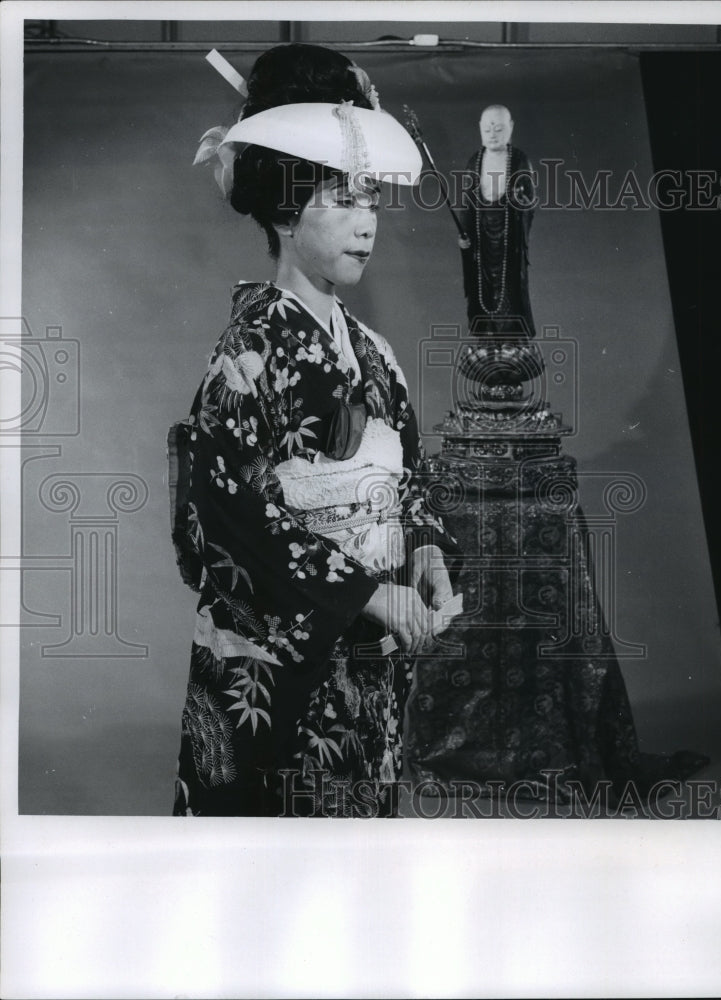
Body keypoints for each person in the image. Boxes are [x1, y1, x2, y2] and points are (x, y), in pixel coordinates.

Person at [169, 44, 458, 817]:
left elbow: (411, 479)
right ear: (284, 209)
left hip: (369, 646)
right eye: (341, 201)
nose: (366, 225)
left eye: (370, 201)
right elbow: (221, 508)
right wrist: (364, 590)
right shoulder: (251, 347)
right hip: (283, 656)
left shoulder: (373, 351)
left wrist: (425, 552)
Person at [458, 104, 537, 339]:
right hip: (481, 234)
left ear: (511, 128)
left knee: (509, 284)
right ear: (480, 130)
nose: (493, 134)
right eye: (488, 129)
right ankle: (488, 336)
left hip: (509, 233)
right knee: (483, 284)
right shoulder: (475, 162)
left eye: (499, 128)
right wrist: (465, 234)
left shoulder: (519, 160)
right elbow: (468, 204)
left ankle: (511, 338)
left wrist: (520, 201)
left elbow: (529, 200)